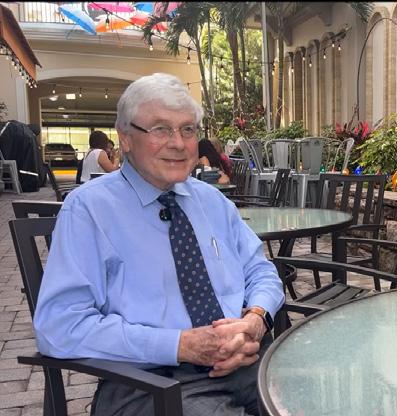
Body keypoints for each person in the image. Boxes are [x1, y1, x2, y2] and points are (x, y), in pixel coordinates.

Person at [33, 73, 285, 415]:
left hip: (245, 362)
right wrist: (180, 345)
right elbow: (59, 325)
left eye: (187, 129)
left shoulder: (212, 201)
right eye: (161, 129)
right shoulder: (89, 210)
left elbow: (260, 271)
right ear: (125, 138)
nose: (178, 143)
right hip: (148, 380)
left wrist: (256, 319)